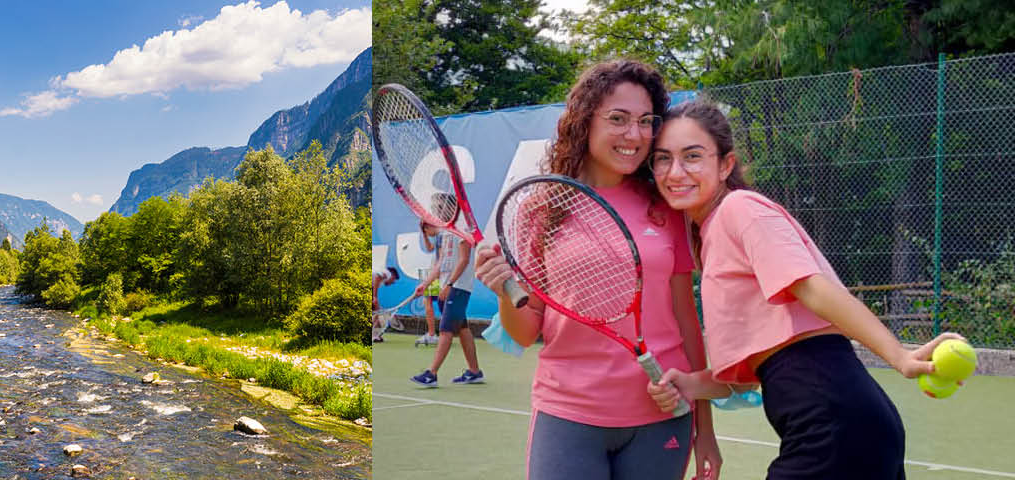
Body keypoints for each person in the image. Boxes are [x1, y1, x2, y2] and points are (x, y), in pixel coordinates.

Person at [644, 100, 964, 480]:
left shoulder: (740, 209)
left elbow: (814, 289)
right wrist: (692, 384)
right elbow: (766, 366)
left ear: (726, 164)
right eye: (663, 159)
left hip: (833, 422)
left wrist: (900, 356)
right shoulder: (712, 233)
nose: (676, 172)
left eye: (692, 156)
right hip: (842, 420)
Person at [471, 59, 718, 479]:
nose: (634, 135)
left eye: (645, 121)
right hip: (568, 415)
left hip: (662, 414)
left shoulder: (666, 206)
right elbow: (525, 331)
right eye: (618, 119)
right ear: (585, 121)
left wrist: (706, 429)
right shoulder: (542, 207)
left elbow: (685, 320)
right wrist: (502, 290)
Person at [410, 195, 483, 387]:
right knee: (462, 329)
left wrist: (449, 284)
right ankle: (475, 372)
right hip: (446, 285)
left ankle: (431, 374)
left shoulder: (462, 229)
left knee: (445, 330)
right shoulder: (444, 232)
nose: (437, 211)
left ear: (451, 207)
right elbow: (441, 262)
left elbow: (464, 260)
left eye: (440, 207)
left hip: (458, 287)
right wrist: (425, 284)